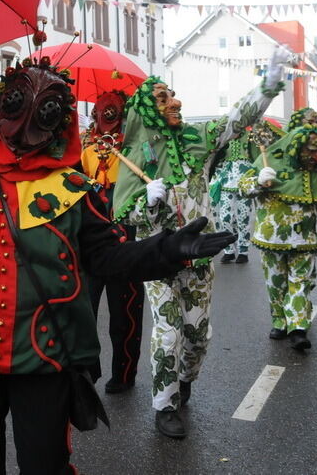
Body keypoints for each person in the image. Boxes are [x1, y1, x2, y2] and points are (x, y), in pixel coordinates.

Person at [0, 59, 235, 473]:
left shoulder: (72, 190)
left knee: (46, 465)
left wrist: (167, 249)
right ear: (0, 106)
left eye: (48, 109)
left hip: (43, 358)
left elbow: (107, 258)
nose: (27, 122)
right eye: (19, 100)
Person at [112, 46, 291, 438]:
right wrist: (148, 199)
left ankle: (185, 376)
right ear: (146, 110)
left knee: (196, 335)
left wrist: (270, 83)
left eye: (172, 95)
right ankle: (165, 403)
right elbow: (122, 216)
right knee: (169, 332)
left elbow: (235, 119)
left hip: (198, 258)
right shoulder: (131, 158)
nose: (174, 101)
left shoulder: (198, 140)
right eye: (163, 98)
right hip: (157, 262)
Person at [238, 126, 317, 350]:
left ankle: (298, 328)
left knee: (299, 283)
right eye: (311, 151)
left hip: (303, 238)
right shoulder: (269, 159)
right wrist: (258, 182)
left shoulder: (315, 170)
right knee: (276, 284)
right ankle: (280, 322)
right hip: (271, 239)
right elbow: (243, 187)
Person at [79, 90, 146, 394]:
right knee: (83, 310)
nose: (106, 115)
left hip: (125, 235)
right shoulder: (85, 144)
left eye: (113, 110)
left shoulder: (135, 145)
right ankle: (84, 371)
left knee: (125, 311)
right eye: (101, 110)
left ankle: (124, 372)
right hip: (91, 235)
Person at [210, 131, 255, 264]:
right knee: (225, 218)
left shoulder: (251, 136)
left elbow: (257, 157)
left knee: (244, 218)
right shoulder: (224, 137)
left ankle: (243, 251)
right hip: (226, 182)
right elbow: (216, 158)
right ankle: (228, 250)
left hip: (245, 183)